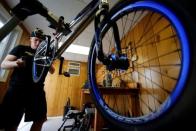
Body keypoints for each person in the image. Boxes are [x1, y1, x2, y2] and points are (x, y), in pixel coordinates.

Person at [0, 28, 54, 131]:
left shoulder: (44, 55)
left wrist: (49, 62)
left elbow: (52, 71)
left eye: (41, 41)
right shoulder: (20, 48)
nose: (38, 43)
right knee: (11, 122)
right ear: (30, 39)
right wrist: (16, 63)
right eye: (36, 40)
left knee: (40, 119)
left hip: (37, 90)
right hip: (18, 89)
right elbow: (3, 64)